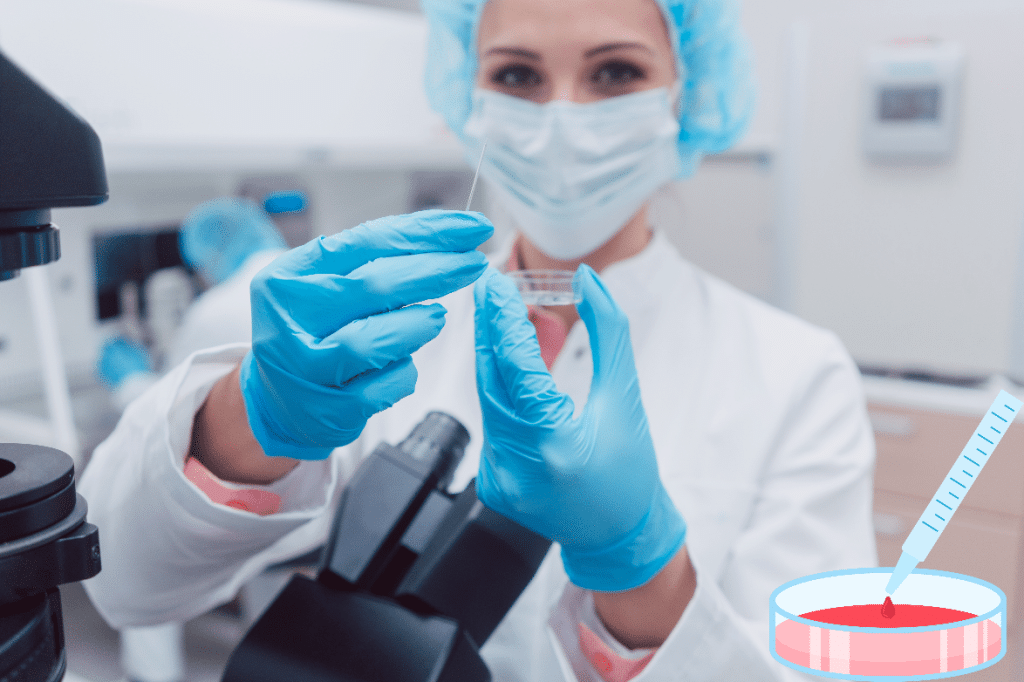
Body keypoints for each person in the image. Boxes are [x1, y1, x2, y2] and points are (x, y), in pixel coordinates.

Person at [80, 1, 877, 681]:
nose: (562, 115)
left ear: (687, 94)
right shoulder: (398, 331)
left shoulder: (794, 376)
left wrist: (644, 569)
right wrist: (247, 422)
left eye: (614, 73)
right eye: (519, 76)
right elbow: (123, 583)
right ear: (470, 97)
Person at [93, 197, 288, 682]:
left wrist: (128, 380)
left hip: (254, 496)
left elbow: (170, 411)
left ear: (210, 257)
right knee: (274, 585)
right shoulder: (302, 277)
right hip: (305, 494)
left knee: (143, 555)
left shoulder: (215, 309)